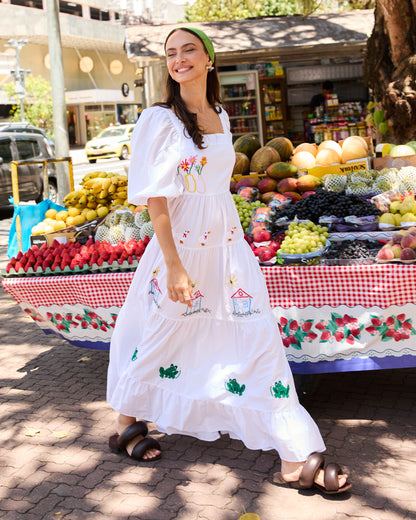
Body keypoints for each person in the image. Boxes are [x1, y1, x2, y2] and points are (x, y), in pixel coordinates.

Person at [106, 27, 351, 495]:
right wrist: (175, 265)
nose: (179, 60)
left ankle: (292, 453)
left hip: (228, 245)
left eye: (189, 50)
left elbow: (216, 187)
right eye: (171, 53)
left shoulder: (218, 112)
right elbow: (156, 199)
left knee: (255, 335)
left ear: (209, 59)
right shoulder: (158, 119)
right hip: (179, 248)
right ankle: (127, 420)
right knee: (163, 333)